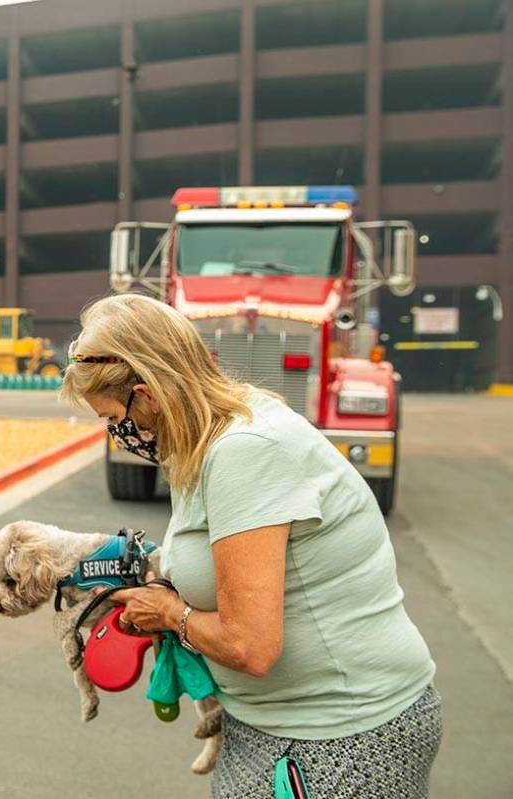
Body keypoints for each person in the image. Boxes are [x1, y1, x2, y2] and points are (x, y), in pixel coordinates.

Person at [59, 294, 441, 798]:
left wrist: (172, 614)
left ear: (147, 394)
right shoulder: (203, 439)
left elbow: (251, 646)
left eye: (114, 418)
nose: (117, 433)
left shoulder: (246, 451)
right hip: (272, 726)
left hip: (340, 735)